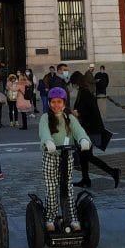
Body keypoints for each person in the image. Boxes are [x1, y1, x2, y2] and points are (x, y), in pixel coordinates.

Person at [38, 87, 91, 232]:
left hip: (67, 156)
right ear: (49, 103)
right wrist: (48, 142)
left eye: (59, 102)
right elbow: (44, 132)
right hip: (51, 156)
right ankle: (50, 217)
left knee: (68, 187)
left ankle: (72, 217)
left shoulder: (70, 117)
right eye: (53, 102)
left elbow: (78, 130)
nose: (56, 105)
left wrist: (83, 139)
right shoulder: (45, 117)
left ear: (64, 103)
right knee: (51, 188)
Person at [69, 71, 120, 188]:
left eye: (73, 83)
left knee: (87, 155)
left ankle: (113, 171)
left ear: (76, 83)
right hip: (87, 128)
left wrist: (77, 113)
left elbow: (89, 110)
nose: (72, 86)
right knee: (83, 155)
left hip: (90, 129)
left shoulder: (85, 93)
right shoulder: (83, 92)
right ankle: (85, 179)